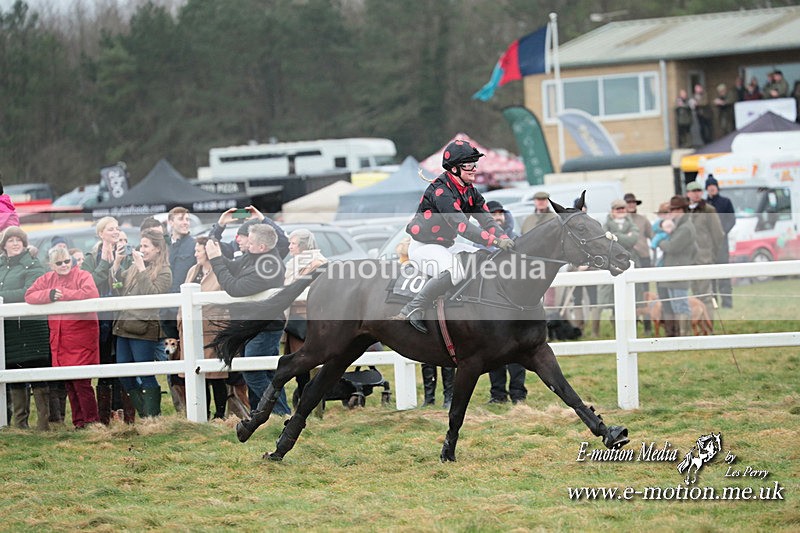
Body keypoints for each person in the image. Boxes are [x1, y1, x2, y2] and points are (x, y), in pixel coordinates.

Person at [394, 139, 513, 334]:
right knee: (455, 271)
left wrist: (506, 239)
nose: (474, 169)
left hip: (446, 245)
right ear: (454, 168)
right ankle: (413, 308)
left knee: (484, 257)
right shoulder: (441, 192)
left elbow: (488, 222)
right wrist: (496, 241)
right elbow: (463, 227)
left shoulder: (470, 191)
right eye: (469, 165)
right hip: (423, 247)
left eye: (475, 164)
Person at [206, 224, 291, 416]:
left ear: (262, 247)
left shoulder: (269, 266)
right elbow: (233, 267)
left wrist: (215, 260)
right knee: (266, 373)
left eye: (250, 242)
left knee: (253, 373)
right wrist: (216, 234)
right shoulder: (253, 257)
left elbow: (235, 288)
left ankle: (280, 414)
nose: (244, 244)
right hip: (253, 325)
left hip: (265, 326)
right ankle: (260, 414)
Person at [25, 246, 101, 429]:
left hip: (81, 339)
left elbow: (91, 293)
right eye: (59, 263)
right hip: (60, 341)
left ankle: (91, 421)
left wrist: (64, 295)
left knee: (82, 383)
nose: (64, 265)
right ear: (51, 265)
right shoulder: (47, 279)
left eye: (67, 261)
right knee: (70, 384)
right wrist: (49, 295)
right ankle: (78, 422)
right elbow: (29, 295)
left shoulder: (83, 275)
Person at [111, 228, 172, 418]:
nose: (142, 249)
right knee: (124, 374)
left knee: (145, 373)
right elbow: (117, 288)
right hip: (124, 327)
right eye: (141, 245)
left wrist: (141, 269)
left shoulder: (164, 272)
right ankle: (145, 414)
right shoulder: (132, 267)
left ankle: (153, 417)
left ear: (158, 249)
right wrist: (116, 264)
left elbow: (153, 297)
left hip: (144, 328)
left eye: (146, 246)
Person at [82, 216, 135, 425]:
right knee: (104, 364)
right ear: (101, 233)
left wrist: (119, 264)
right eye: (110, 229)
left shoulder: (128, 256)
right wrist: (105, 263)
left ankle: (125, 415)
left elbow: (126, 284)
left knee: (123, 364)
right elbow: (90, 284)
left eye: (117, 228)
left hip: (122, 318)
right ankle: (104, 417)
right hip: (100, 321)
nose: (115, 232)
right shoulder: (90, 258)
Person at [0, 227, 51, 430]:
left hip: (31, 328)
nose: (14, 243)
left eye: (18, 240)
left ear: (23, 243)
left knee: (37, 373)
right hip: (9, 330)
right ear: (4, 245)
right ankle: (20, 424)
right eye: (10, 240)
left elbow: (28, 291)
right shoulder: (1, 265)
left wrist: (2, 296)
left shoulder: (33, 265)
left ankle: (43, 423)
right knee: (13, 372)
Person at [177, 236, 232, 420]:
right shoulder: (193, 270)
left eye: (198, 250)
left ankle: (220, 414)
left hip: (213, 329)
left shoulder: (220, 272)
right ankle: (203, 414)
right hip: (192, 330)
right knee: (198, 374)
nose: (195, 254)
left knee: (216, 375)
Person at [484, 200, 526, 405]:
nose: (498, 216)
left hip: (512, 302)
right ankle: (497, 394)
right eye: (493, 214)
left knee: (516, 350)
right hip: (489, 302)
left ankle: (518, 394)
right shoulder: (480, 240)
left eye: (500, 213)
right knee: (493, 349)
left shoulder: (516, 238)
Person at [283, 229, 328, 411]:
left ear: (302, 245)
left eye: (293, 243)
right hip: (295, 321)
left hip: (308, 319)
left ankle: (314, 404)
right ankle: (304, 402)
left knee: (313, 364)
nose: (290, 247)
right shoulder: (293, 264)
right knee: (299, 366)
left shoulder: (319, 263)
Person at [160, 207, 197, 410]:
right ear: (171, 222)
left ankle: (193, 404)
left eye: (187, 219)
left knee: (187, 356)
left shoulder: (192, 245)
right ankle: (179, 407)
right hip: (165, 312)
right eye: (181, 219)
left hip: (183, 311)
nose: (185, 222)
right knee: (171, 358)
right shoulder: (165, 246)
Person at [596, 200, 640, 331]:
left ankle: (632, 329)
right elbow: (605, 241)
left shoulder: (632, 224)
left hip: (631, 261)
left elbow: (634, 239)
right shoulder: (606, 225)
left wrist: (616, 237)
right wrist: (625, 237)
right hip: (613, 263)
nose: (621, 211)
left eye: (623, 208)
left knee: (631, 297)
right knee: (615, 299)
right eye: (617, 209)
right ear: (612, 211)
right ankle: (617, 329)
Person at [656, 196, 697, 337]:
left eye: (674, 209)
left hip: (678, 270)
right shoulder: (680, 225)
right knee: (675, 305)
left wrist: (660, 242)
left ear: (682, 210)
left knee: (681, 305)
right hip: (674, 269)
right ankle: (681, 334)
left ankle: (685, 334)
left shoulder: (685, 228)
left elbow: (672, 247)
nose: (672, 212)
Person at [686, 181, 725, 319]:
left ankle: (709, 327)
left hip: (704, 258)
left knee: (706, 295)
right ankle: (699, 325)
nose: (696, 194)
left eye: (699, 191)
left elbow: (718, 234)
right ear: (688, 193)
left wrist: (711, 253)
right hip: (688, 259)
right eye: (693, 191)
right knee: (694, 295)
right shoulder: (684, 210)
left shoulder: (708, 210)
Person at [209, 205, 289, 259]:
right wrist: (220, 224)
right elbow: (210, 245)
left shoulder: (267, 252)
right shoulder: (235, 247)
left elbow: (284, 242)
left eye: (242, 236)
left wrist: (263, 219)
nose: (238, 240)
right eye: (238, 236)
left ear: (252, 237)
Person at [624, 193, 654, 334]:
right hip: (629, 258)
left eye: (633, 203)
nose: (631, 205)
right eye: (628, 203)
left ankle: (648, 325)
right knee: (631, 292)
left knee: (645, 292)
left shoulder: (643, 220)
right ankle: (633, 325)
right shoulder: (621, 221)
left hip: (643, 257)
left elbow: (652, 235)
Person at [704, 175, 735, 308]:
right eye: (709, 187)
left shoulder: (725, 202)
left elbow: (732, 220)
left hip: (722, 244)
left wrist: (722, 234)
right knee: (711, 275)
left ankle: (727, 302)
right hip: (708, 245)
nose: (711, 189)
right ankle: (713, 302)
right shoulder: (704, 205)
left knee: (724, 274)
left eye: (713, 187)